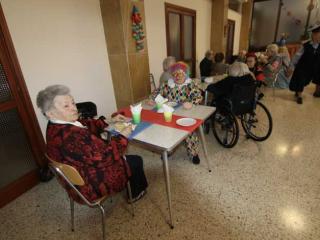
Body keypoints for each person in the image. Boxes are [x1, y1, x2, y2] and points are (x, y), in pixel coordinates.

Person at [36, 85, 148, 203]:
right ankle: (135, 194)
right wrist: (123, 136)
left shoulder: (55, 125)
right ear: (50, 113)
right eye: (66, 106)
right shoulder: (72, 137)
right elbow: (106, 157)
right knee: (135, 161)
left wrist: (108, 121)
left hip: (80, 175)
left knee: (120, 151)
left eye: (73, 103)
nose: (74, 108)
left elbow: (85, 124)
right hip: (91, 184)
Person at [159, 62, 203, 164]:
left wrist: (191, 103)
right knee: (167, 131)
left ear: (186, 74)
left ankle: (194, 153)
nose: (178, 76)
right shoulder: (167, 84)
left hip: (186, 114)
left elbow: (199, 97)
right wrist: (152, 99)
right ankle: (169, 150)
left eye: (181, 73)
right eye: (175, 74)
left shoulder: (190, 84)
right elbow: (157, 93)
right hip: (171, 113)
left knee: (189, 133)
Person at [288, 23, 320, 104]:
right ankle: (299, 96)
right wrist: (291, 67)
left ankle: (298, 91)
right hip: (302, 67)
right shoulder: (306, 45)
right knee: (301, 80)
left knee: (305, 82)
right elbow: (296, 56)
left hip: (312, 69)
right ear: (314, 35)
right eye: (318, 35)